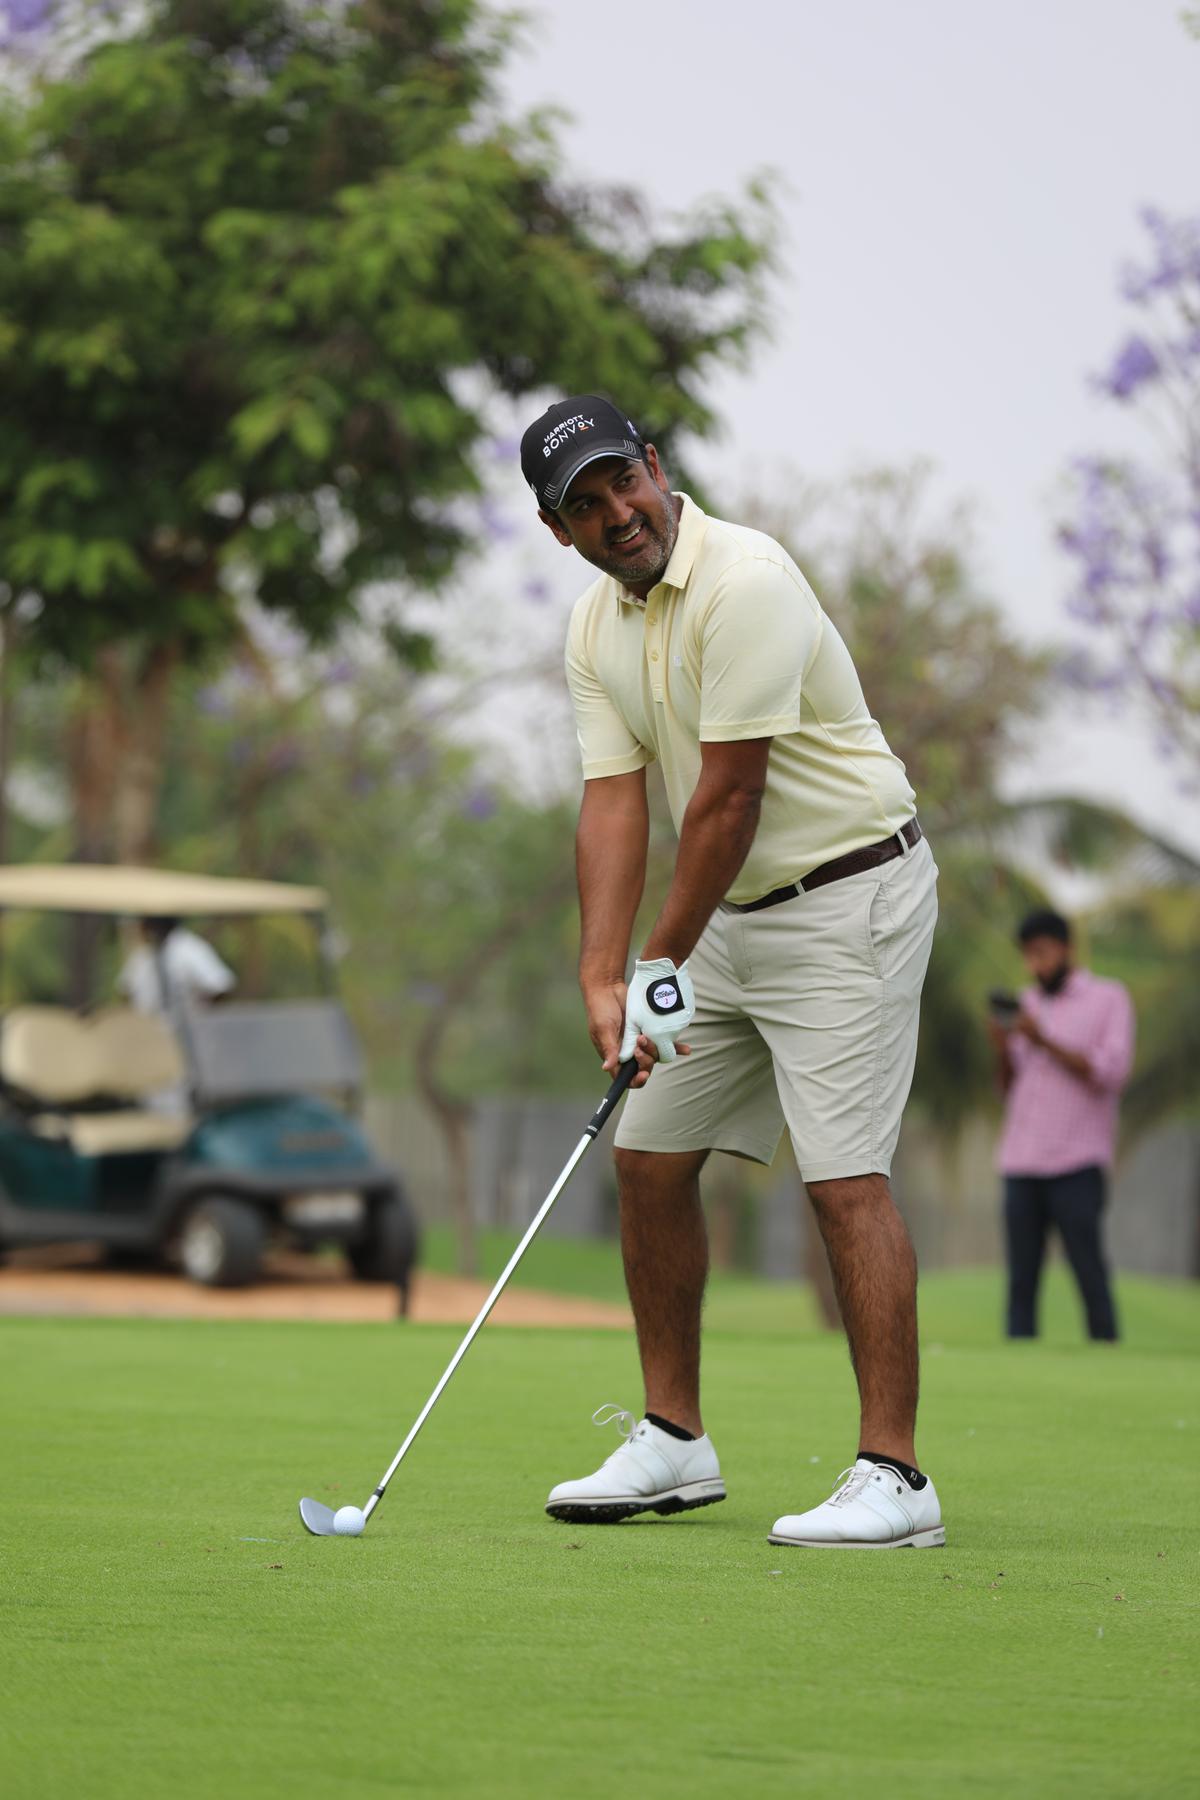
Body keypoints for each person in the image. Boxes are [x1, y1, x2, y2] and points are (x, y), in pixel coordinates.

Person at [519, 396, 944, 1549]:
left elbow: (729, 799)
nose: (617, 515)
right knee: (649, 1155)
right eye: (586, 507)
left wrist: (660, 961)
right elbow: (613, 803)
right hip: (730, 915)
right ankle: (674, 1440)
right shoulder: (593, 629)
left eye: (624, 484)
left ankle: (896, 1477)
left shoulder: (746, 579)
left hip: (847, 896)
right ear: (561, 532)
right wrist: (601, 974)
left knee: (842, 1177)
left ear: (657, 470)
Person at [990, 908, 1134, 1342]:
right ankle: (1018, 1371)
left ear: (1067, 949)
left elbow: (1111, 1072)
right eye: (1028, 955)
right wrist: (1001, 1048)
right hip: (1021, 1161)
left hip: (1077, 1162)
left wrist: (1043, 1040)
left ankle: (1109, 1363)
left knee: (1089, 1273)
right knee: (1021, 1281)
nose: (1036, 964)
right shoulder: (1026, 1005)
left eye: (1043, 952)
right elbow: (1007, 1088)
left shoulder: (1109, 999)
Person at [117, 917, 235, 1111]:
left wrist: (199, 1016)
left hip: (186, 1041)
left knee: (181, 1100)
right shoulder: (143, 955)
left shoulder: (190, 949)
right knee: (152, 1099)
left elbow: (220, 987)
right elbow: (126, 992)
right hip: (149, 1041)